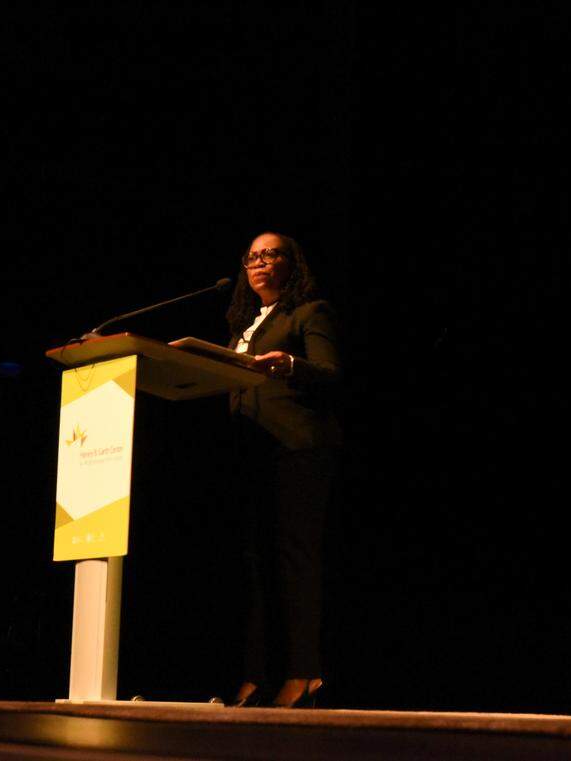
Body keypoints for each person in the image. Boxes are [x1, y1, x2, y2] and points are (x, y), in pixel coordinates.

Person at [225, 231, 341, 708]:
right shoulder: (243, 325)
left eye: (271, 253)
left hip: (296, 449)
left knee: (296, 564)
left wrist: (291, 363)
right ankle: (257, 675)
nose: (260, 261)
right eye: (252, 255)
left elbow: (331, 372)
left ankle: (305, 674)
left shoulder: (310, 313)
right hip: (253, 454)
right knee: (256, 568)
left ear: (292, 263)